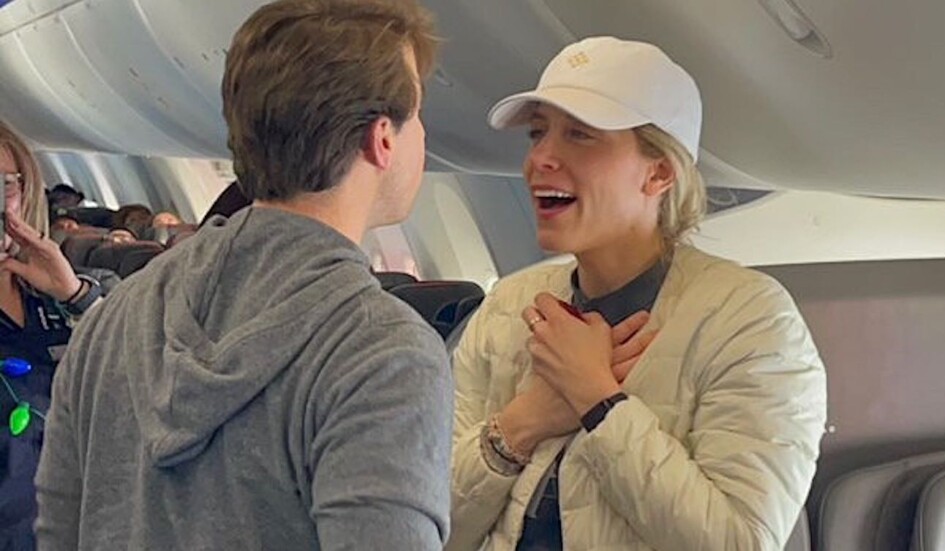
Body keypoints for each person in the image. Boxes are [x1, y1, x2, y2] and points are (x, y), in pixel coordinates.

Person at [36, 1, 452, 549]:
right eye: (417, 113)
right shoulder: (384, 354)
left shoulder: (113, 319)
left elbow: (59, 531)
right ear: (383, 139)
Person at [448, 37, 827, 551]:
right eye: (538, 134)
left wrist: (597, 401)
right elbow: (426, 524)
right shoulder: (507, 308)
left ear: (659, 172)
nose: (540, 158)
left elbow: (740, 541)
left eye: (580, 135)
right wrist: (524, 422)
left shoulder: (751, 322)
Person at [0, 122, 105, 550]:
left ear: (25, 193)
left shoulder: (73, 293)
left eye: (3, 185)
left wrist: (75, 296)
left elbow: (137, 381)